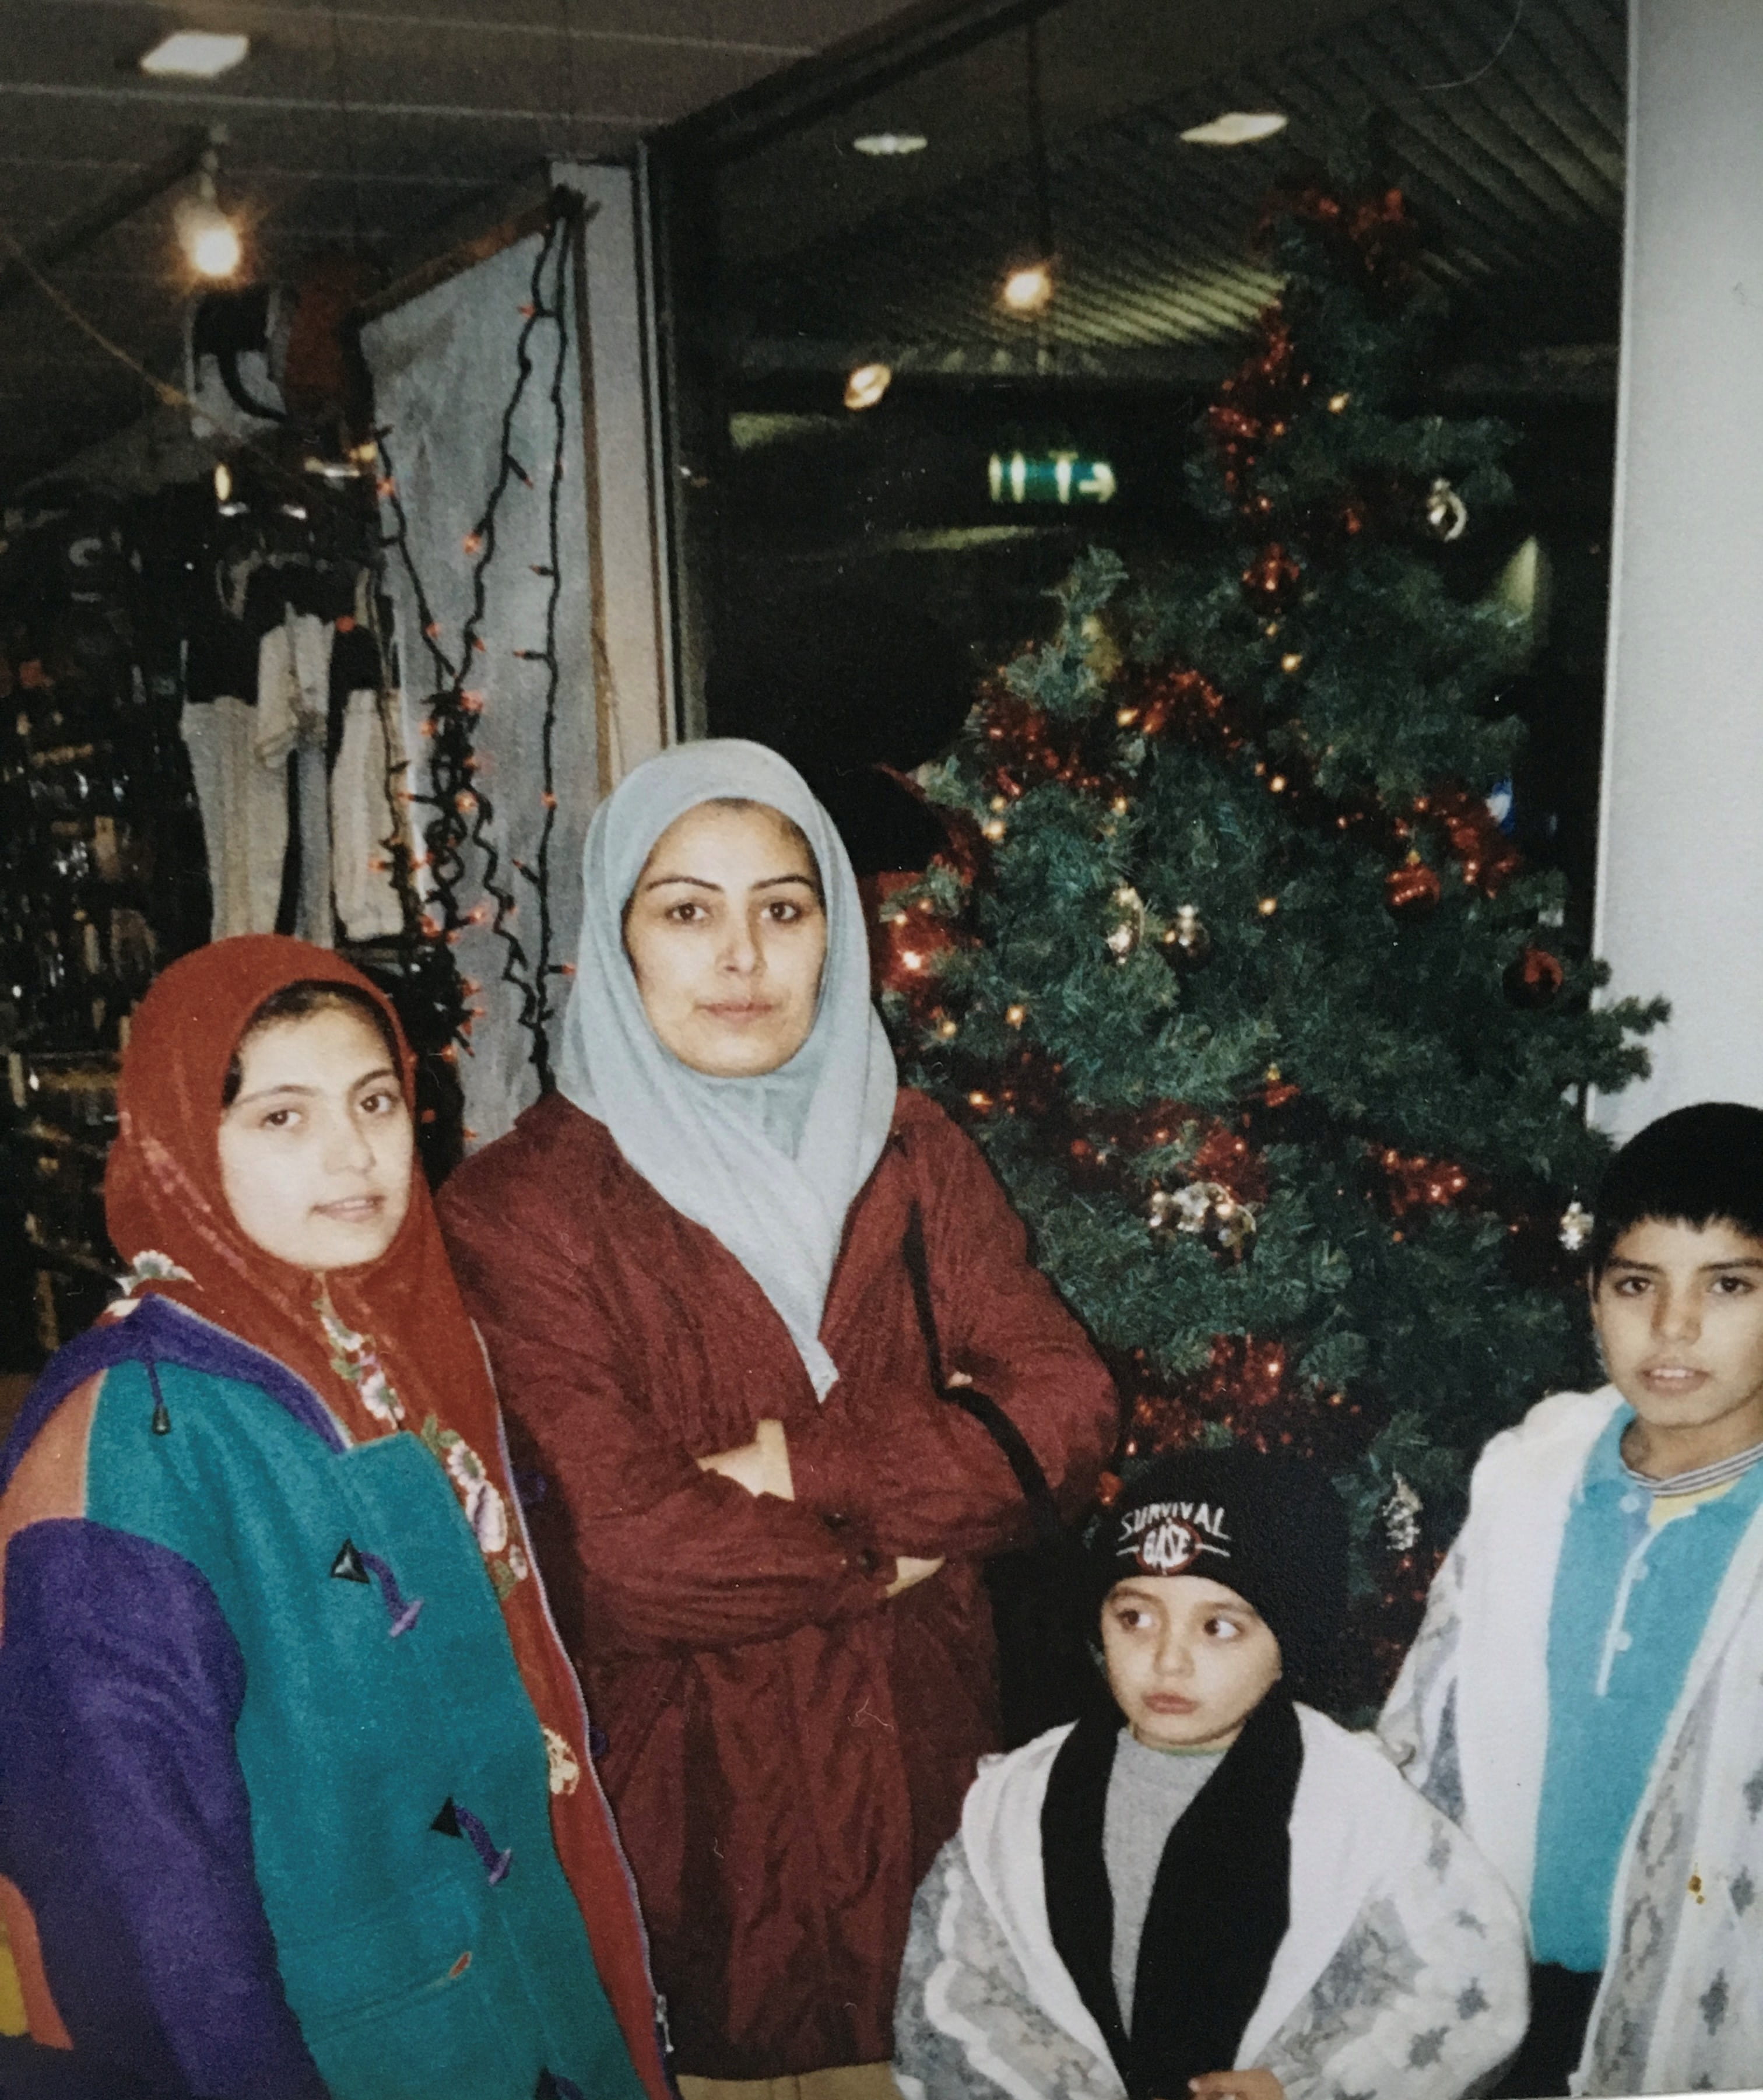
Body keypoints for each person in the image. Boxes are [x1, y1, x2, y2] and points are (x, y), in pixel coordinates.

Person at [438, 740, 1116, 2095]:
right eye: (686, 908)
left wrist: (802, 1463)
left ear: (834, 933)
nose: (740, 953)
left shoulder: (914, 1151)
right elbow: (625, 1557)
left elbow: (1067, 1408)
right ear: (616, 940)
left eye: (784, 907)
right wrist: (900, 1542)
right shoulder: (522, 1211)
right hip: (693, 1863)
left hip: (927, 1825)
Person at [0, 936, 671, 2100]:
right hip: (351, 2047)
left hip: (519, 2000)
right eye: (281, 1117)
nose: (353, 1152)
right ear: (180, 1141)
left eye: (374, 1101)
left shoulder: (394, 1347)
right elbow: (150, 1868)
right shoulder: (140, 1431)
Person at [894, 1448, 1529, 2100]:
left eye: (1219, 1626)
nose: (1168, 1660)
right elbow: (953, 1992)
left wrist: (1307, 2084)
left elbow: (1466, 1979)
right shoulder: (1017, 1804)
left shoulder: (1356, 1803)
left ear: (1289, 1644)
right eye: (1135, 1617)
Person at [1379, 1101, 1763, 2096]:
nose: (1671, 1327)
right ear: (1592, 1295)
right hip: (1499, 1999)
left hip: (1703, 2015)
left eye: (1727, 1285)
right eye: (1636, 1283)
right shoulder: (1528, 1481)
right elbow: (1424, 1744)